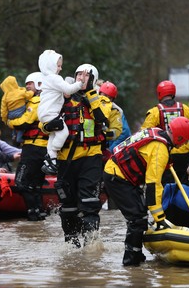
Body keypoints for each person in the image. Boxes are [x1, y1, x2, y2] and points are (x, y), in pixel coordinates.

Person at [103, 117, 189, 266]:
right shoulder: (161, 149)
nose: (185, 144)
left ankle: (137, 256)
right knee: (137, 219)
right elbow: (153, 184)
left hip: (118, 172)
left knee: (140, 216)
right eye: (185, 140)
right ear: (179, 137)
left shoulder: (158, 132)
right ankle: (130, 264)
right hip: (117, 177)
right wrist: (159, 218)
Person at [55, 63, 112, 248]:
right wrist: (46, 126)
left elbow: (102, 117)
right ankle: (72, 246)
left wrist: (89, 92)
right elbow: (45, 118)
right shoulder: (63, 99)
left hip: (90, 157)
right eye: (78, 74)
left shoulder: (101, 100)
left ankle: (91, 247)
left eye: (86, 75)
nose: (81, 77)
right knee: (68, 208)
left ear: (93, 79)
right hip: (66, 159)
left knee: (90, 204)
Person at [141, 80, 189, 185]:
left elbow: (145, 134)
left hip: (166, 153)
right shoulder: (184, 108)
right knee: (185, 181)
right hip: (184, 153)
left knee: (166, 183)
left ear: (159, 94)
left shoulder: (155, 111)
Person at [7, 72, 48, 221]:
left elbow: (24, 121)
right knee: (35, 184)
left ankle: (33, 213)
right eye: (26, 84)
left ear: (38, 84)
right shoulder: (44, 100)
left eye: (30, 83)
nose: (27, 87)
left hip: (34, 148)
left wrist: (9, 122)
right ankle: (39, 214)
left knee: (21, 182)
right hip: (41, 148)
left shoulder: (36, 102)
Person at [37, 49, 86, 175]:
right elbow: (68, 90)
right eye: (58, 66)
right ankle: (52, 153)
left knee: (53, 135)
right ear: (51, 66)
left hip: (43, 113)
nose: (60, 68)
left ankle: (50, 161)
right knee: (63, 133)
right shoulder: (54, 78)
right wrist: (80, 83)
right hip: (50, 113)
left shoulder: (46, 78)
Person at [0, 75, 34, 146]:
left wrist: (5, 119)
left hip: (10, 114)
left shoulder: (5, 96)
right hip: (20, 111)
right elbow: (28, 95)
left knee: (14, 123)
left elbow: (3, 110)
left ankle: (14, 135)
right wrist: (31, 92)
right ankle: (19, 138)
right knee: (21, 124)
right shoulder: (19, 92)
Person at [98, 81, 131, 153]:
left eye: (109, 98)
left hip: (109, 147)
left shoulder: (116, 111)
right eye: (104, 96)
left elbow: (123, 133)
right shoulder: (92, 104)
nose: (105, 99)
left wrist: (111, 150)